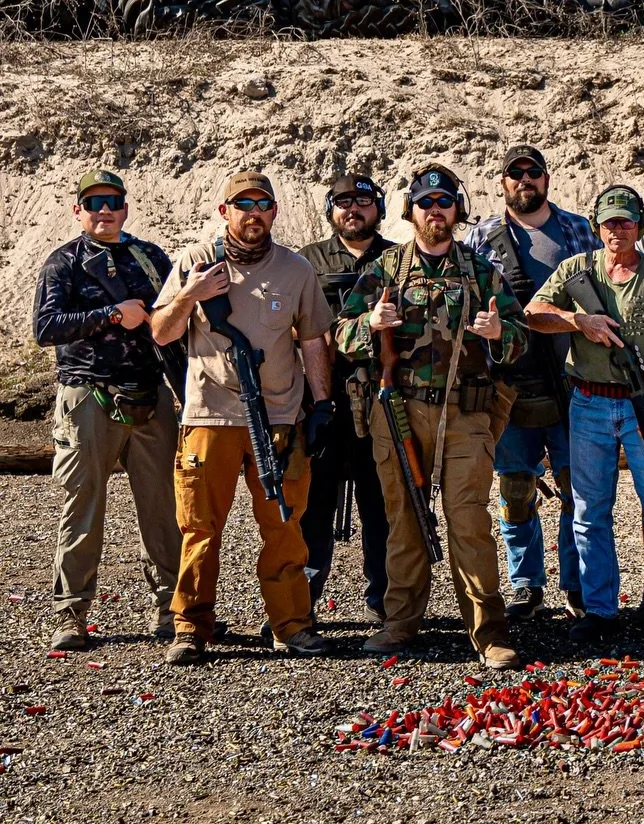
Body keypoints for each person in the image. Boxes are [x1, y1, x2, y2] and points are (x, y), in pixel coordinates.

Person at [334, 164, 527, 668]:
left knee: (468, 521)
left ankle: (489, 632)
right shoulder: (385, 271)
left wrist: (497, 335)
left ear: (456, 210)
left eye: (444, 203)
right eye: (426, 203)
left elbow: (520, 339)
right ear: (410, 211)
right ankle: (400, 622)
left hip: (465, 413)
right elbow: (342, 337)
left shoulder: (481, 271)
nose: (435, 211)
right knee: (403, 520)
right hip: (398, 410)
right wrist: (368, 324)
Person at [150, 171, 333, 665]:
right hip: (210, 415)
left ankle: (291, 625)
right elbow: (162, 333)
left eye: (263, 204)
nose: (254, 213)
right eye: (243, 204)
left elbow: (314, 339)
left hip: (278, 416)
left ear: (274, 212)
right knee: (200, 527)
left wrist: (320, 405)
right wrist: (190, 294)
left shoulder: (296, 270)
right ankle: (190, 628)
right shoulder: (194, 261)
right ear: (224, 211)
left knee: (283, 523)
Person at [528, 185, 644, 651]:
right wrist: (578, 321)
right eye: (609, 223)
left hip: (641, 403)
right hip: (589, 402)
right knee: (589, 513)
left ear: (639, 226)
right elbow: (533, 313)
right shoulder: (575, 271)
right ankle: (600, 609)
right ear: (596, 226)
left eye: (625, 222)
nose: (617, 230)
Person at [31, 170, 182, 653]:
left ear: (125, 207)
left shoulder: (151, 257)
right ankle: (70, 614)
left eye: (112, 201)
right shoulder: (64, 263)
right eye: (93, 202)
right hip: (87, 395)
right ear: (78, 210)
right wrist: (112, 314)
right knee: (83, 506)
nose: (104, 210)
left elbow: (176, 317)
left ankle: (172, 611)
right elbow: (46, 326)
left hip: (150, 395)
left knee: (163, 508)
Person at [466, 144, 597, 622]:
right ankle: (525, 582)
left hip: (572, 377)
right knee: (516, 488)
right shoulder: (481, 237)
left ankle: (576, 582)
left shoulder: (578, 228)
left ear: (547, 178)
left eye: (533, 172)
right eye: (515, 173)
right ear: (502, 182)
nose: (525, 180)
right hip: (508, 381)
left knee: (574, 486)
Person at [300, 174, 393, 626]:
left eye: (361, 200)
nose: (351, 209)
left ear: (379, 206)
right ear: (329, 209)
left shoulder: (399, 258)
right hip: (324, 400)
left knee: (384, 504)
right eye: (341, 201)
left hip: (383, 399)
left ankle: (386, 601)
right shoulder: (307, 262)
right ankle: (302, 600)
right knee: (313, 505)